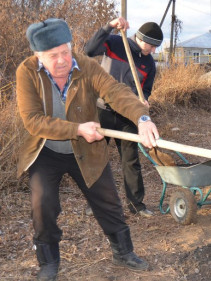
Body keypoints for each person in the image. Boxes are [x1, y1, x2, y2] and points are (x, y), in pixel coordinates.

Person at [16, 18, 159, 280]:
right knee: (43, 204)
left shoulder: (86, 65)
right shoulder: (26, 72)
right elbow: (32, 120)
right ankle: (48, 263)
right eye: (53, 55)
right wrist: (77, 129)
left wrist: (142, 117)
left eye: (66, 52)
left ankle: (123, 252)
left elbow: (115, 91)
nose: (62, 60)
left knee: (108, 201)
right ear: (38, 56)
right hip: (46, 150)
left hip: (86, 150)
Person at [84, 17, 163, 217]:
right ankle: (94, 203)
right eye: (152, 46)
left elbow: (145, 90)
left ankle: (136, 204)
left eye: (156, 47)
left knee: (130, 160)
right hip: (102, 109)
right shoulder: (115, 43)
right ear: (140, 38)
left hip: (128, 115)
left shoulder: (149, 64)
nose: (153, 50)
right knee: (96, 158)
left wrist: (143, 100)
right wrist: (108, 26)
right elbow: (89, 50)